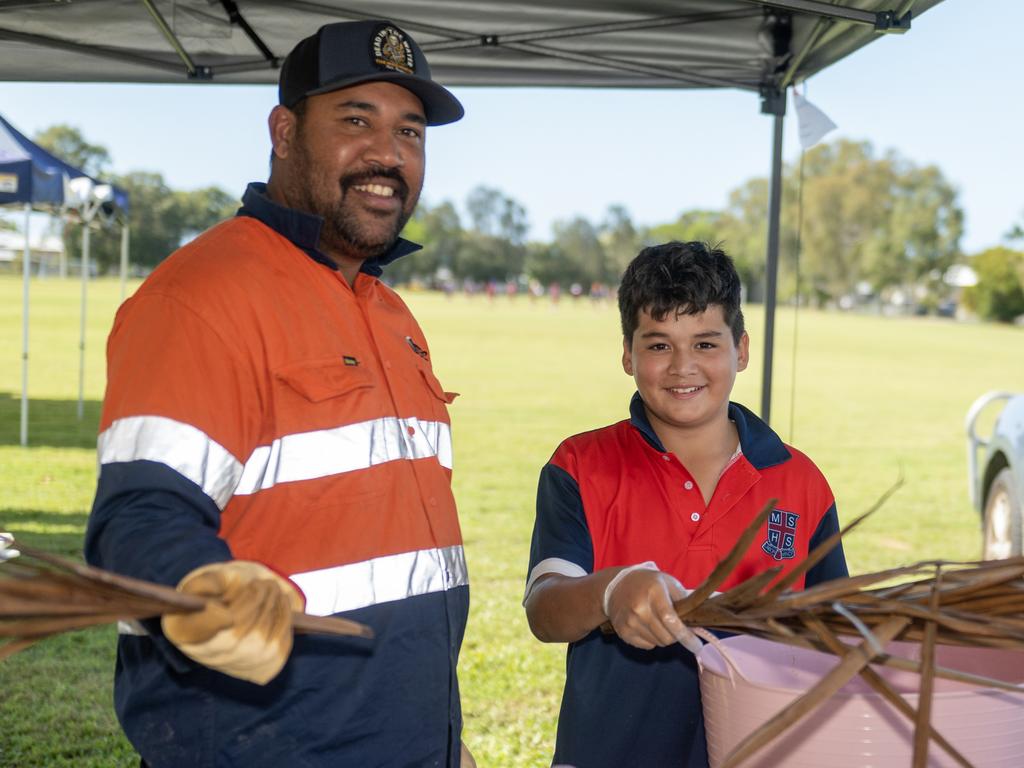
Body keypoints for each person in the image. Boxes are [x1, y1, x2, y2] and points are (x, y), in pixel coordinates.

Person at [85, 20, 475, 768]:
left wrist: (444, 743)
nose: (388, 156)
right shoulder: (202, 295)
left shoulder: (390, 314)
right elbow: (140, 516)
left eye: (411, 132)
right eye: (356, 120)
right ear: (285, 130)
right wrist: (202, 583)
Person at [523, 241, 848, 768]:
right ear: (627, 354)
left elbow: (833, 634)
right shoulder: (580, 463)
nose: (682, 367)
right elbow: (545, 610)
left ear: (741, 349)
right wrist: (610, 591)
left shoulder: (801, 481)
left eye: (704, 344)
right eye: (658, 346)